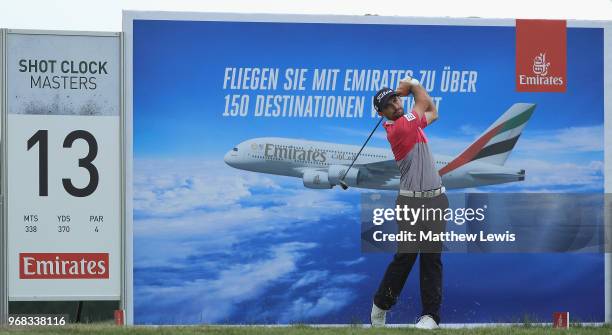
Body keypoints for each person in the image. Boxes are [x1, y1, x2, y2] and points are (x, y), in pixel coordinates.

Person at [370, 77, 449, 329]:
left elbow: (432, 112)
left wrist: (411, 90)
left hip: (436, 199)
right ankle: (380, 307)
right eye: (388, 104)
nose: (395, 104)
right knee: (405, 258)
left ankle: (431, 317)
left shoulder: (412, 126)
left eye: (395, 98)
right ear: (382, 114)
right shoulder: (400, 129)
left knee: (431, 258)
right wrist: (413, 84)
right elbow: (424, 102)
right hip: (411, 203)